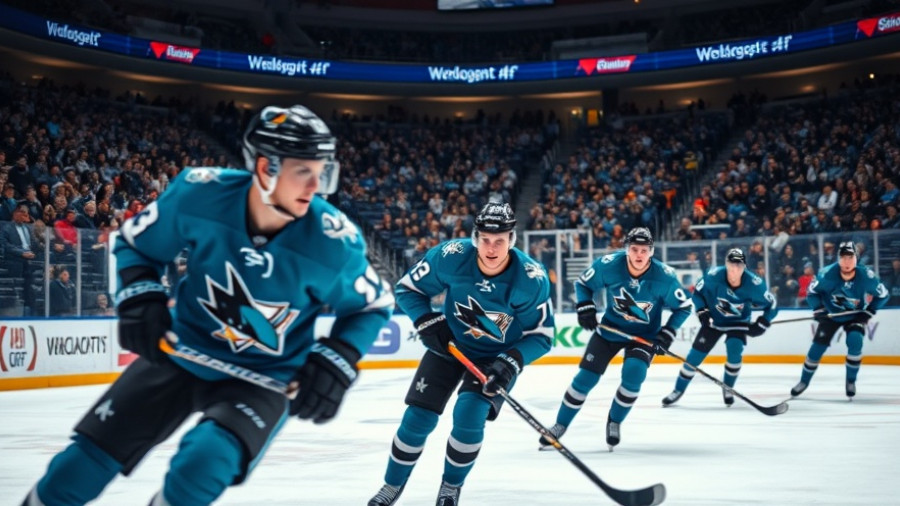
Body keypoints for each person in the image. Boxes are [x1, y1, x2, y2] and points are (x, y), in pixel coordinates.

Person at [22, 105, 394, 506]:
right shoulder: (199, 192)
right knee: (76, 468)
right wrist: (140, 295)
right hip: (180, 351)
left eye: (322, 172)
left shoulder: (333, 240)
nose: (316, 185)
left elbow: (372, 306)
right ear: (266, 167)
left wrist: (337, 357)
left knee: (203, 463)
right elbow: (136, 244)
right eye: (304, 171)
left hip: (264, 376)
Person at [368, 202, 554, 506]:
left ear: (512, 239)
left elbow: (542, 336)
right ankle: (391, 486)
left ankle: (450, 487)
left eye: (500, 240)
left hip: (494, 360)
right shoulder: (450, 256)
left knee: (468, 415)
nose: (491, 248)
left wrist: (509, 364)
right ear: (475, 237)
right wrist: (427, 320)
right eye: (485, 239)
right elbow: (407, 289)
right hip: (448, 347)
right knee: (418, 417)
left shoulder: (530, 280)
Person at [539, 227, 691, 451]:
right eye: (634, 249)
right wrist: (585, 306)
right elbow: (583, 283)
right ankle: (560, 425)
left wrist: (666, 333)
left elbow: (684, 308)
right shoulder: (609, 265)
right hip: (610, 330)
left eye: (644, 250)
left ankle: (615, 421)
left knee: (634, 374)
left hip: (643, 337)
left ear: (651, 252)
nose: (639, 255)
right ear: (627, 249)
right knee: (585, 379)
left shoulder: (665, 277)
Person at [661, 248, 778, 407]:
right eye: (732, 264)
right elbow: (697, 294)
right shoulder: (713, 276)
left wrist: (764, 321)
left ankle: (728, 388)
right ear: (726, 264)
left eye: (739, 265)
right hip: (713, 322)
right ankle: (678, 390)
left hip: (739, 323)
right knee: (693, 358)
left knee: (734, 350)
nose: (734, 269)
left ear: (744, 267)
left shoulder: (754, 284)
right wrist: (702, 311)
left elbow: (772, 305)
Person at [790, 241, 888, 399]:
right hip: (831, 315)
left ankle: (850, 381)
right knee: (816, 348)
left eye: (851, 257)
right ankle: (804, 381)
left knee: (855, 341)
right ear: (838, 259)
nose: (847, 262)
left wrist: (869, 312)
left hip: (855, 315)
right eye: (843, 258)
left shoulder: (866, 276)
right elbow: (811, 292)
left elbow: (883, 295)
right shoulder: (826, 274)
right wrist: (818, 309)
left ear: (857, 259)